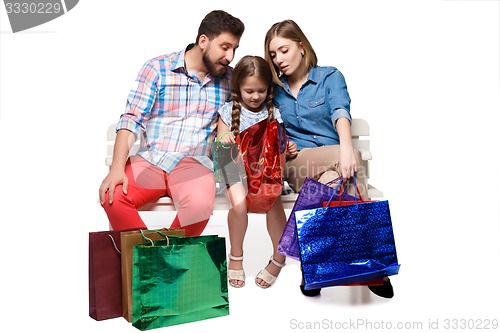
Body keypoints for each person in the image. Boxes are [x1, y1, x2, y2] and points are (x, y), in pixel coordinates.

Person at [264, 19, 394, 298]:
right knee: (346, 164)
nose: (278, 60)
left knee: (333, 180)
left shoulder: (329, 76)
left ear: (301, 45)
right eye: (273, 55)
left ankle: (313, 269)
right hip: (298, 163)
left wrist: (346, 147)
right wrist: (346, 153)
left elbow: (339, 110)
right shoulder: (274, 89)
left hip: (335, 165)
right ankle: (371, 267)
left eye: (284, 50)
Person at [98, 10, 245, 237]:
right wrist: (117, 168)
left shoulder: (230, 80)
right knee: (113, 195)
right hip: (151, 160)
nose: (230, 56)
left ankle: (155, 262)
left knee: (198, 206)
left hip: (194, 164)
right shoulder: (157, 69)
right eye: (225, 47)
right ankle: (154, 260)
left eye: (234, 48)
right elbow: (131, 119)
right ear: (203, 41)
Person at [215, 55, 289, 288]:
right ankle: (235, 257)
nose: (255, 96)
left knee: (274, 200)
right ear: (238, 88)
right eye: (249, 91)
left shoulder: (272, 112)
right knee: (239, 204)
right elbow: (221, 146)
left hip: (264, 171)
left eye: (261, 90)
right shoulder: (228, 111)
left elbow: (279, 147)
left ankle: (279, 258)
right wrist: (225, 137)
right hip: (235, 171)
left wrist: (287, 146)